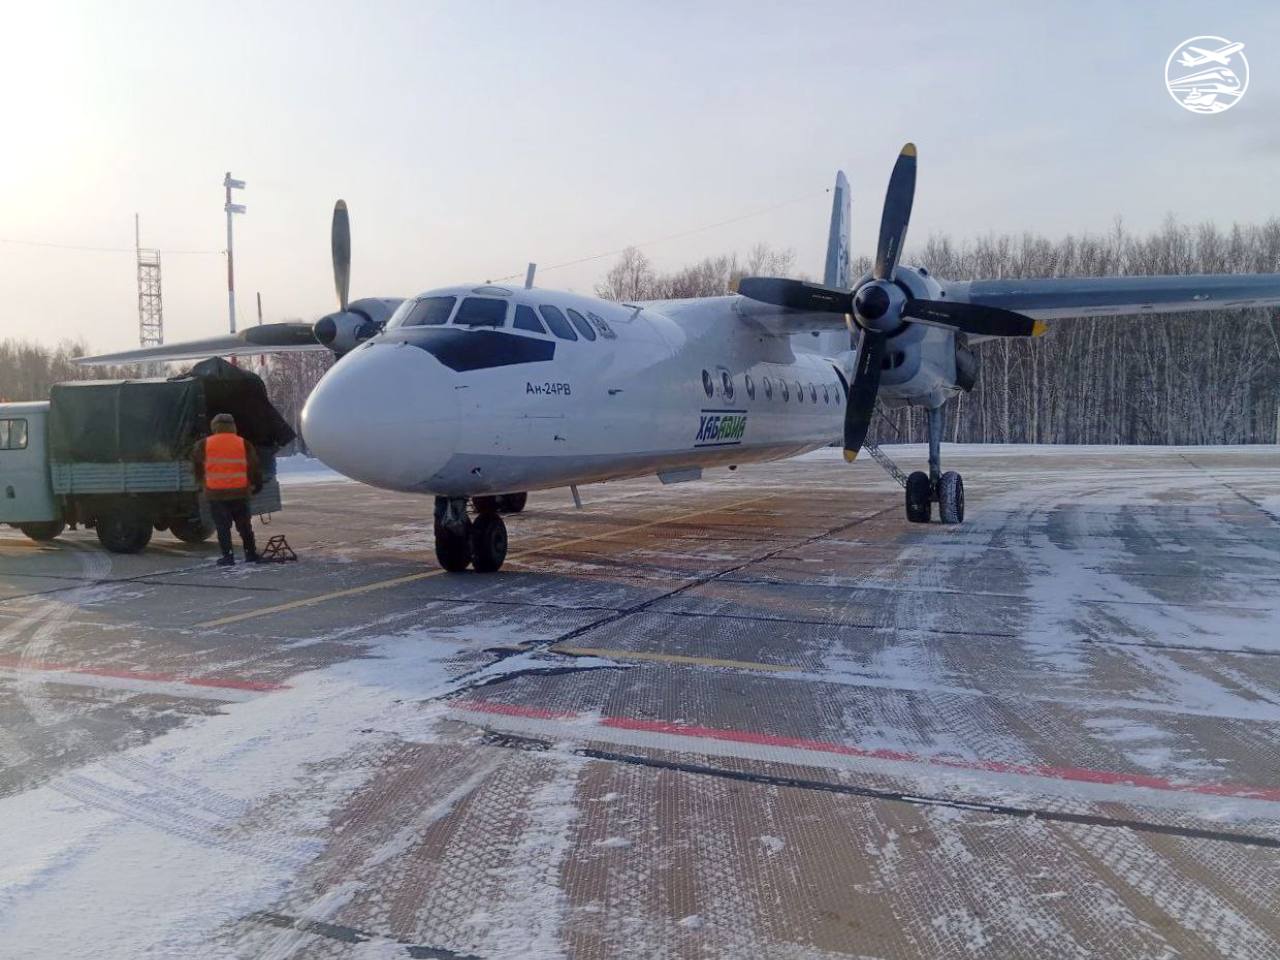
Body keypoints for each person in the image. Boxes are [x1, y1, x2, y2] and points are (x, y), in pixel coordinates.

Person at [192, 413, 262, 566]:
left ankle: (228, 556)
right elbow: (254, 466)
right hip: (240, 492)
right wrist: (256, 484)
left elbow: (197, 467)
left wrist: (202, 483)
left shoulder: (203, 444)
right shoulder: (243, 443)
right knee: (244, 526)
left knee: (222, 527)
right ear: (233, 426)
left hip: (216, 494)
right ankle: (250, 554)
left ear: (214, 427)